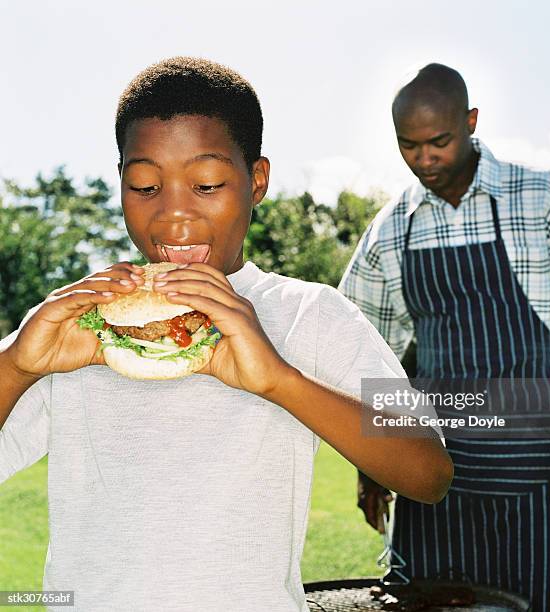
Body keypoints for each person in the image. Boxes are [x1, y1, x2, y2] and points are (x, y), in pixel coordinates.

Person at [0, 57, 453, 612]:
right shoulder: (77, 321)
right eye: (145, 186)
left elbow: (427, 472)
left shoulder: (309, 314)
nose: (174, 217)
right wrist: (16, 368)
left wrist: (279, 381)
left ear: (256, 180)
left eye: (207, 184)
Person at [339, 63, 550, 611]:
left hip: (534, 470)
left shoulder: (545, 202)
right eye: (408, 146)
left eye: (439, 141)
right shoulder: (393, 227)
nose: (425, 159)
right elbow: (364, 352)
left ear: (471, 122)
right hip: (432, 471)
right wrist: (373, 463)